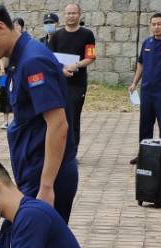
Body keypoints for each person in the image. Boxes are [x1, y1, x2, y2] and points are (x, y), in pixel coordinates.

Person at [0, 0, 78, 222]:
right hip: (33, 173)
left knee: (32, 240)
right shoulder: (18, 60)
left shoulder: (33, 61)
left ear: (0, 27)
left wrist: (46, 186)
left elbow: (58, 124)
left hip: (46, 178)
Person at [128, 12, 161, 163]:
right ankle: (144, 155)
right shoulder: (147, 43)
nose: (156, 27)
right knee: (145, 124)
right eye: (153, 24)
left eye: (159, 24)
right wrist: (134, 83)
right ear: (150, 26)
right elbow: (141, 64)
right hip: (147, 90)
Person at [48, 4, 95, 152]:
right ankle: (59, 150)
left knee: (73, 117)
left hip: (77, 84)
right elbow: (50, 59)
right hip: (58, 83)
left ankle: (72, 151)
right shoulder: (56, 36)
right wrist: (61, 70)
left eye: (74, 13)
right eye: (68, 13)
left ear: (79, 14)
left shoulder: (87, 35)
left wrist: (76, 65)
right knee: (58, 117)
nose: (71, 16)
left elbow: (91, 57)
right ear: (64, 15)